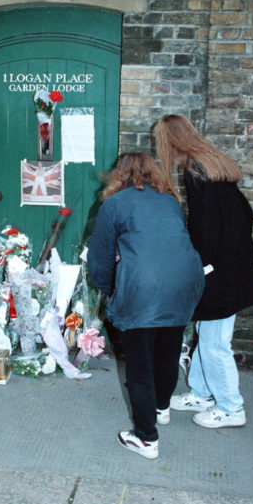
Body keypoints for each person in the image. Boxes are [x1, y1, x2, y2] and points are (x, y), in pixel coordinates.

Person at [87, 152, 205, 460]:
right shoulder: (169, 201)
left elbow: (99, 258)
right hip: (184, 282)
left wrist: (108, 290)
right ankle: (160, 408)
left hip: (142, 287)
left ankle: (146, 438)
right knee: (168, 350)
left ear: (118, 175)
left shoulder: (114, 204)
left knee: (138, 366)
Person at [155, 114, 253, 430]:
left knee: (215, 342)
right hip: (232, 266)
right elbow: (246, 213)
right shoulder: (215, 164)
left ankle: (231, 408)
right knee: (207, 334)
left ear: (171, 141)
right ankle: (202, 393)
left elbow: (203, 229)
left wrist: (202, 266)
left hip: (220, 272)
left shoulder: (195, 171)